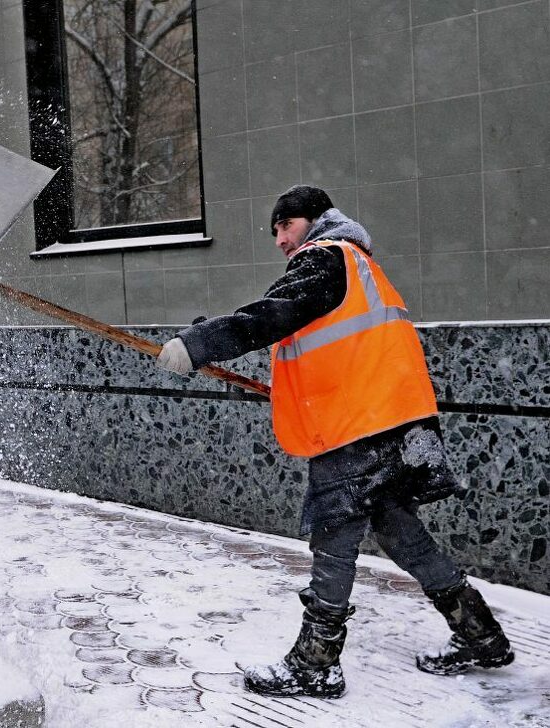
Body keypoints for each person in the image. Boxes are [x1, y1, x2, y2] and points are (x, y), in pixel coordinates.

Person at [155, 185, 513, 699]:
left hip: (357, 428)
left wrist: (198, 344)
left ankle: (315, 662)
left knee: (334, 533)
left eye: (286, 225)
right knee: (399, 530)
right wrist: (215, 347)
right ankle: (480, 634)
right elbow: (322, 347)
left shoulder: (327, 257)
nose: (280, 238)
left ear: (317, 219)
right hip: (391, 420)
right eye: (275, 229)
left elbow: (270, 316)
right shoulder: (355, 266)